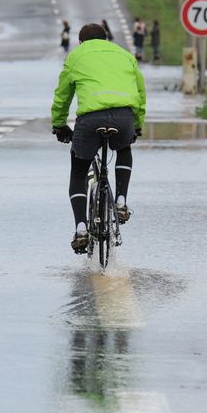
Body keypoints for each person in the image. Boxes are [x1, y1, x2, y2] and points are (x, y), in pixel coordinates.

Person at [51, 23, 147, 253]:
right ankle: (122, 201)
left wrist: (59, 124)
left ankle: (81, 228)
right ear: (106, 39)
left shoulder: (76, 57)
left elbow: (62, 96)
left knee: (79, 169)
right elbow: (141, 92)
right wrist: (137, 125)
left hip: (90, 120)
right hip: (124, 116)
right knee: (124, 148)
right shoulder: (125, 55)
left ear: (81, 42)